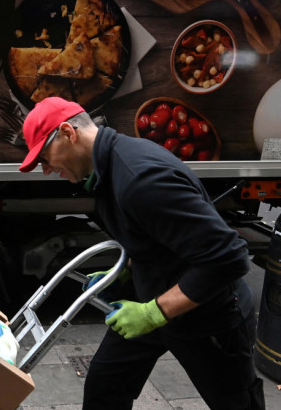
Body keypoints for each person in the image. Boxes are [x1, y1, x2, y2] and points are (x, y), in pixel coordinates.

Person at [18, 96, 265, 410]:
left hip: (206, 314)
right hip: (151, 294)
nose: (46, 170)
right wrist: (121, 272)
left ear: (68, 132)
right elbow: (151, 233)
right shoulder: (107, 169)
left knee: (236, 402)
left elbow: (228, 257)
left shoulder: (140, 179)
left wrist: (152, 314)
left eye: (44, 157)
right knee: (105, 385)